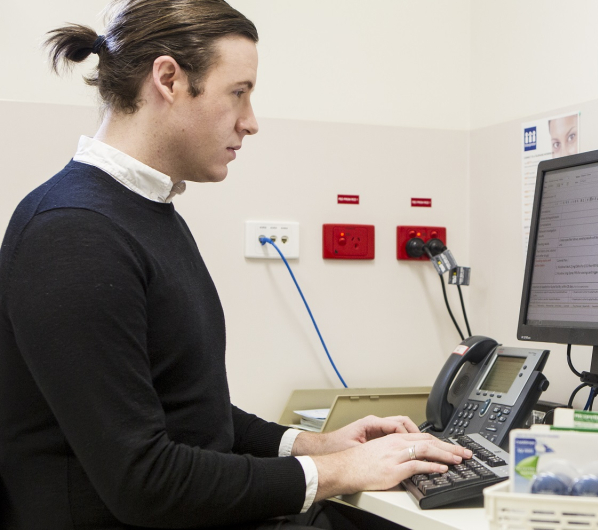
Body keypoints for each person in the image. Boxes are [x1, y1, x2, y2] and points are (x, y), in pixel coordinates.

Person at [0, 1, 471, 528]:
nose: (250, 122)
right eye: (238, 93)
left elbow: (183, 409)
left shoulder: (141, 212)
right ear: (169, 80)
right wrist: (338, 470)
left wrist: (312, 444)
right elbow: (143, 482)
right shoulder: (74, 232)